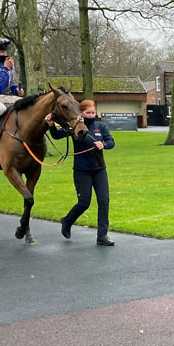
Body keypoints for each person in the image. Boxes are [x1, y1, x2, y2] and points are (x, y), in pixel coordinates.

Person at [47, 100, 116, 246]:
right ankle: (67, 221)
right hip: (82, 170)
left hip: (99, 170)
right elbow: (57, 135)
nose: (91, 115)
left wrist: (103, 144)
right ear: (81, 113)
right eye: (88, 113)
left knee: (104, 201)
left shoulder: (101, 127)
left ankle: (102, 236)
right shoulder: (75, 127)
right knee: (84, 203)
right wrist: (51, 125)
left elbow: (111, 142)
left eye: (93, 112)